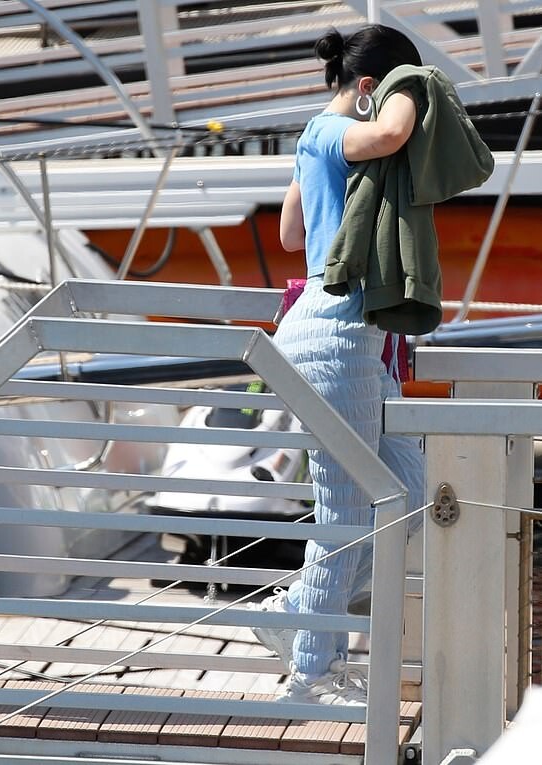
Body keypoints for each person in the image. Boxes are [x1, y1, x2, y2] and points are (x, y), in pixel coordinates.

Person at [249, 25, 439, 707]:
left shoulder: (315, 140)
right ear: (367, 89)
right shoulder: (335, 132)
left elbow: (289, 235)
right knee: (346, 510)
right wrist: (419, 87)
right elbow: (390, 134)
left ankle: (294, 613)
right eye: (391, 89)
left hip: (349, 338)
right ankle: (311, 673)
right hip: (335, 336)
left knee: (411, 494)